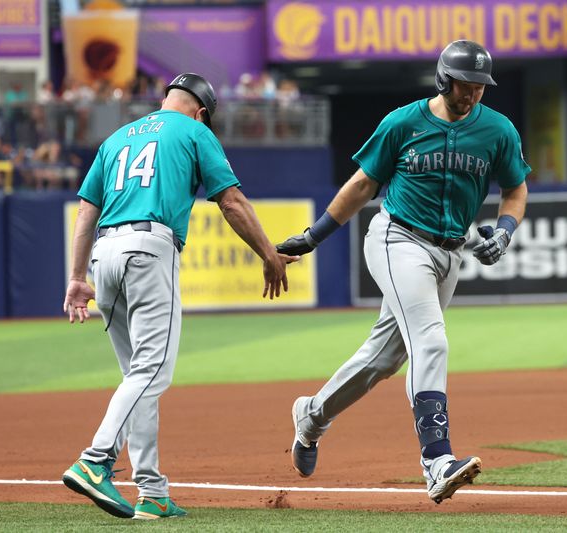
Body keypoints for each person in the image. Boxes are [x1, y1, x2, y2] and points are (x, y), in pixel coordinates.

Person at [277, 40, 530, 504]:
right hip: (398, 238)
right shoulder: (403, 122)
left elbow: (516, 189)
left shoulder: (498, 130)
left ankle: (311, 418)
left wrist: (506, 230)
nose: (473, 93)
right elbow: (361, 185)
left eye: (480, 85)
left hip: (451, 252)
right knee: (430, 339)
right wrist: (313, 237)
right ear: (442, 78)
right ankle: (437, 461)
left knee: (385, 358)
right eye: (465, 83)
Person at [61, 72, 297, 519]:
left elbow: (87, 208)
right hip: (149, 249)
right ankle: (96, 461)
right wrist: (268, 252)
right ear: (202, 111)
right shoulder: (193, 130)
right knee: (152, 371)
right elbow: (230, 201)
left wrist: (76, 276)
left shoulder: (116, 138)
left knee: (138, 376)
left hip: (104, 256)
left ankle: (151, 491)